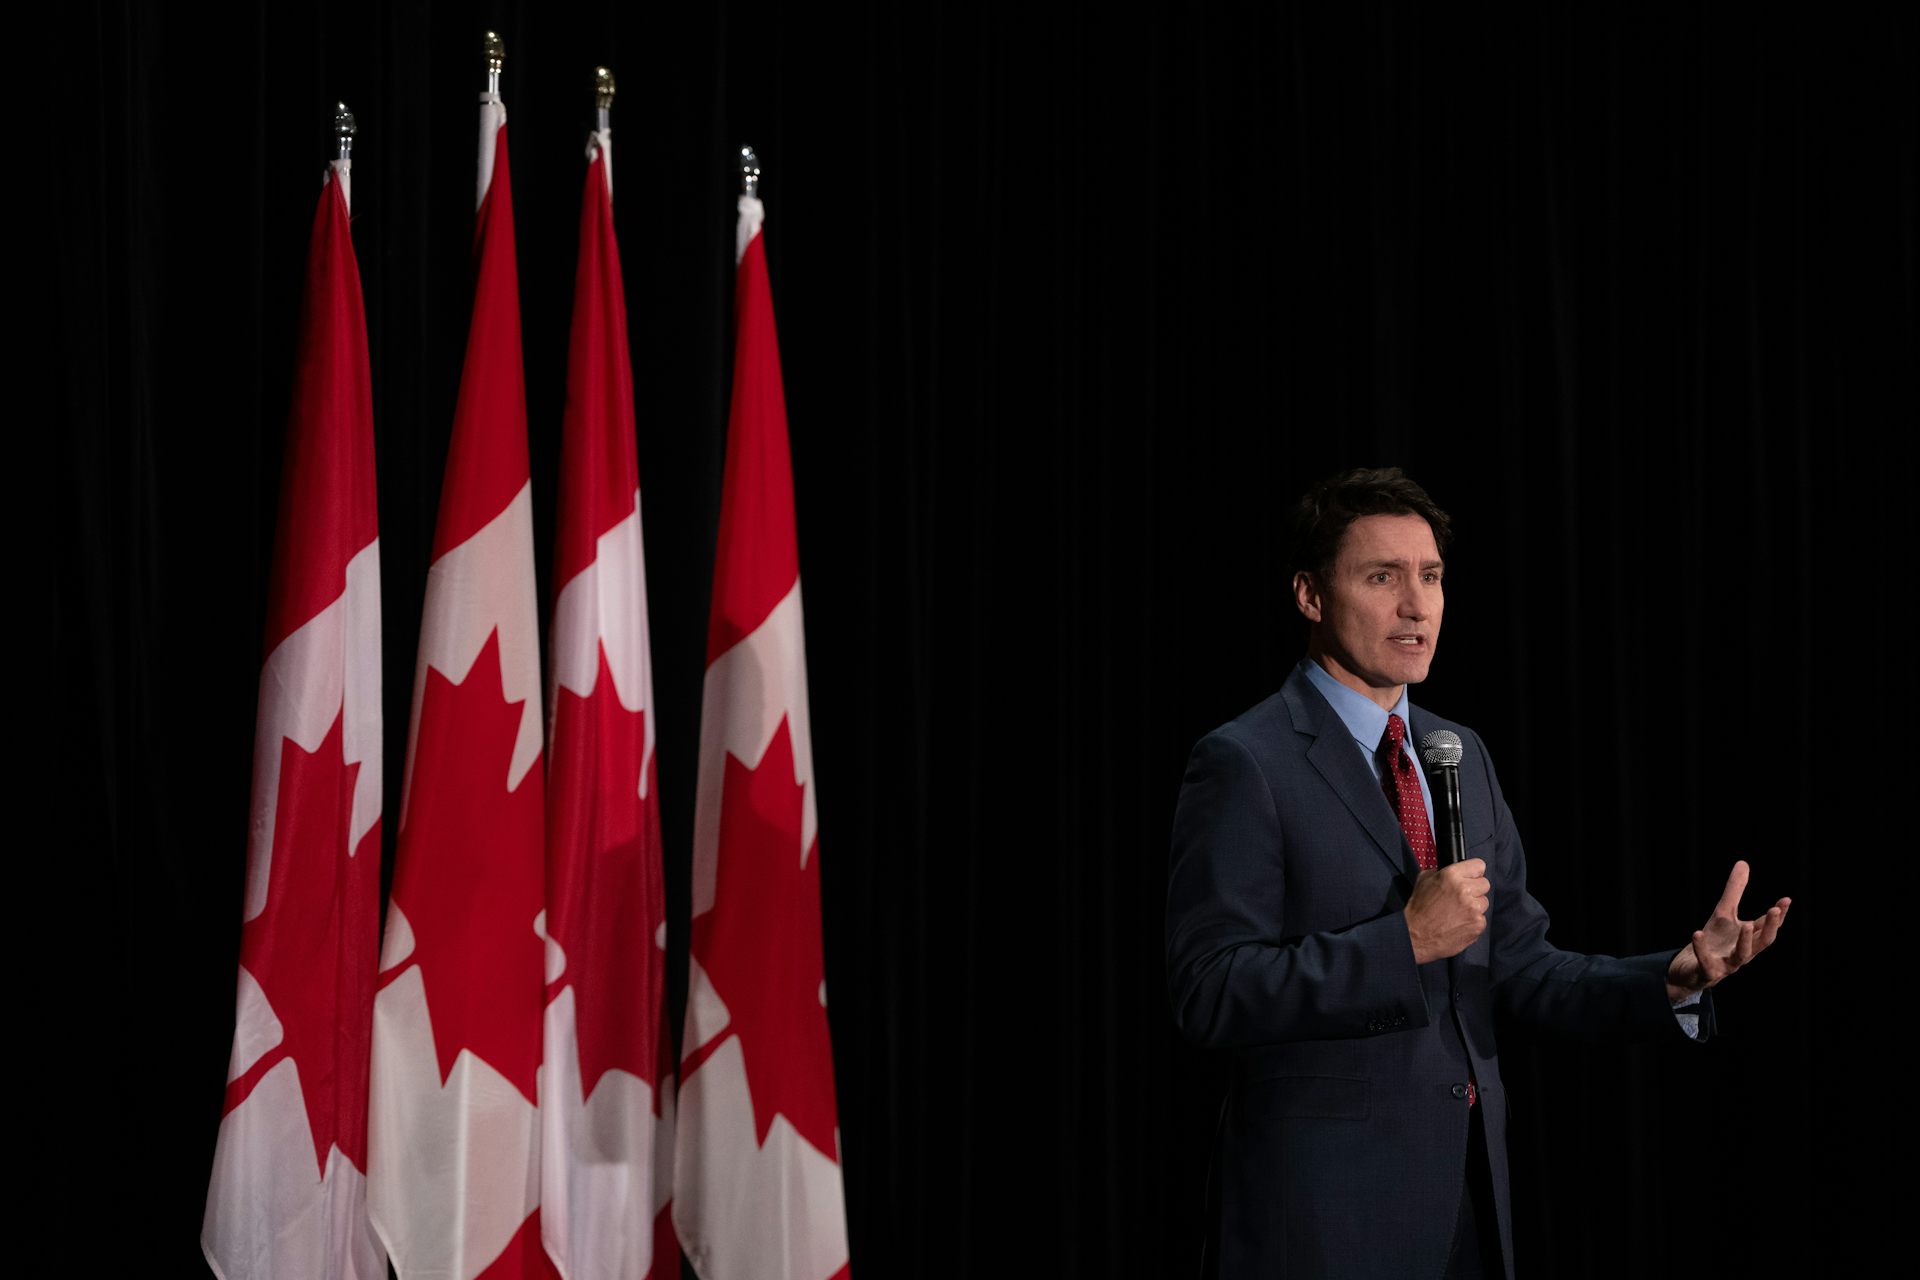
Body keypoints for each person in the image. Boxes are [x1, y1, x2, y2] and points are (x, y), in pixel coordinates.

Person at [1164, 467, 1789, 1279]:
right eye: (1381, 577)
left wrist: (1671, 979)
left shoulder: (1457, 753)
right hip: (1322, 1224)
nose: (1416, 605)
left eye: (1430, 577)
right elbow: (1209, 990)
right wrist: (1403, 942)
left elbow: (1521, 967)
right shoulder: (1246, 762)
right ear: (1310, 596)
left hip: (1467, 1213)